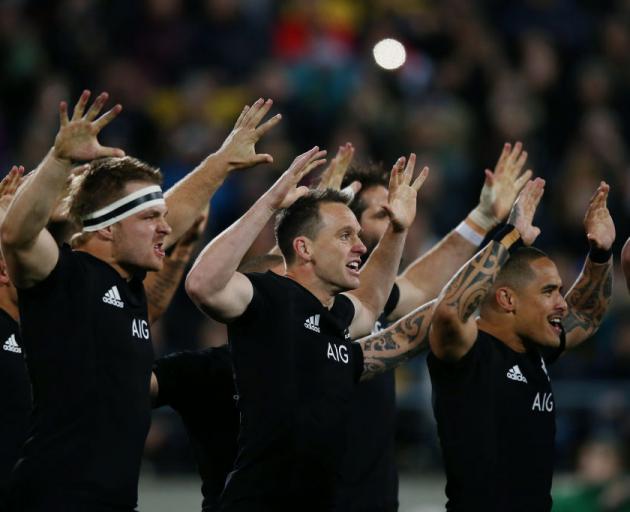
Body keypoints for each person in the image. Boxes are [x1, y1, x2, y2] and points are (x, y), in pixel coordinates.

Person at [0, 91, 281, 511]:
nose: (165, 227)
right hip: (54, 499)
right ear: (106, 230)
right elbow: (17, 236)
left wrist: (220, 161)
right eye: (150, 218)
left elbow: (177, 211)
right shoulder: (61, 278)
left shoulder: (128, 284)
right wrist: (59, 161)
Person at [185, 148, 428, 510]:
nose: (361, 247)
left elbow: (372, 301)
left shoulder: (337, 314)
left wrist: (398, 229)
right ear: (304, 248)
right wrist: (269, 205)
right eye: (346, 236)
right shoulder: (269, 297)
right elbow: (203, 284)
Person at [335, 142, 532, 511]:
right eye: (383, 213)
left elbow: (421, 286)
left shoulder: (372, 297)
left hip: (374, 498)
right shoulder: (310, 297)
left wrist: (484, 216)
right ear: (348, 227)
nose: (398, 216)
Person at [426, 179, 614, 511]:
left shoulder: (534, 350)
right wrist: (508, 236)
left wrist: (600, 254)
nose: (562, 303)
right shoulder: (470, 352)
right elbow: (449, 311)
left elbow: (586, 314)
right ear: (507, 298)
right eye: (549, 291)